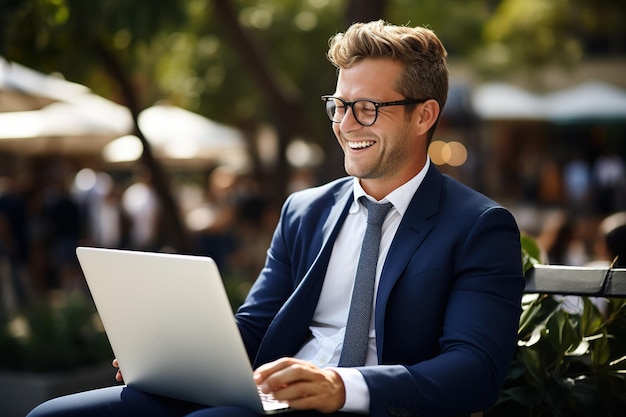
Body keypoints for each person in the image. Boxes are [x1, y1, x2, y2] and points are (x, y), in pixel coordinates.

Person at [27, 20, 524, 417]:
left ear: (423, 115)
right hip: (265, 397)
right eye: (339, 105)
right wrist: (173, 357)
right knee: (51, 414)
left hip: (364, 406)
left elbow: (474, 371)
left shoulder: (479, 226)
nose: (346, 124)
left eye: (368, 108)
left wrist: (340, 387)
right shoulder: (305, 210)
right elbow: (256, 328)